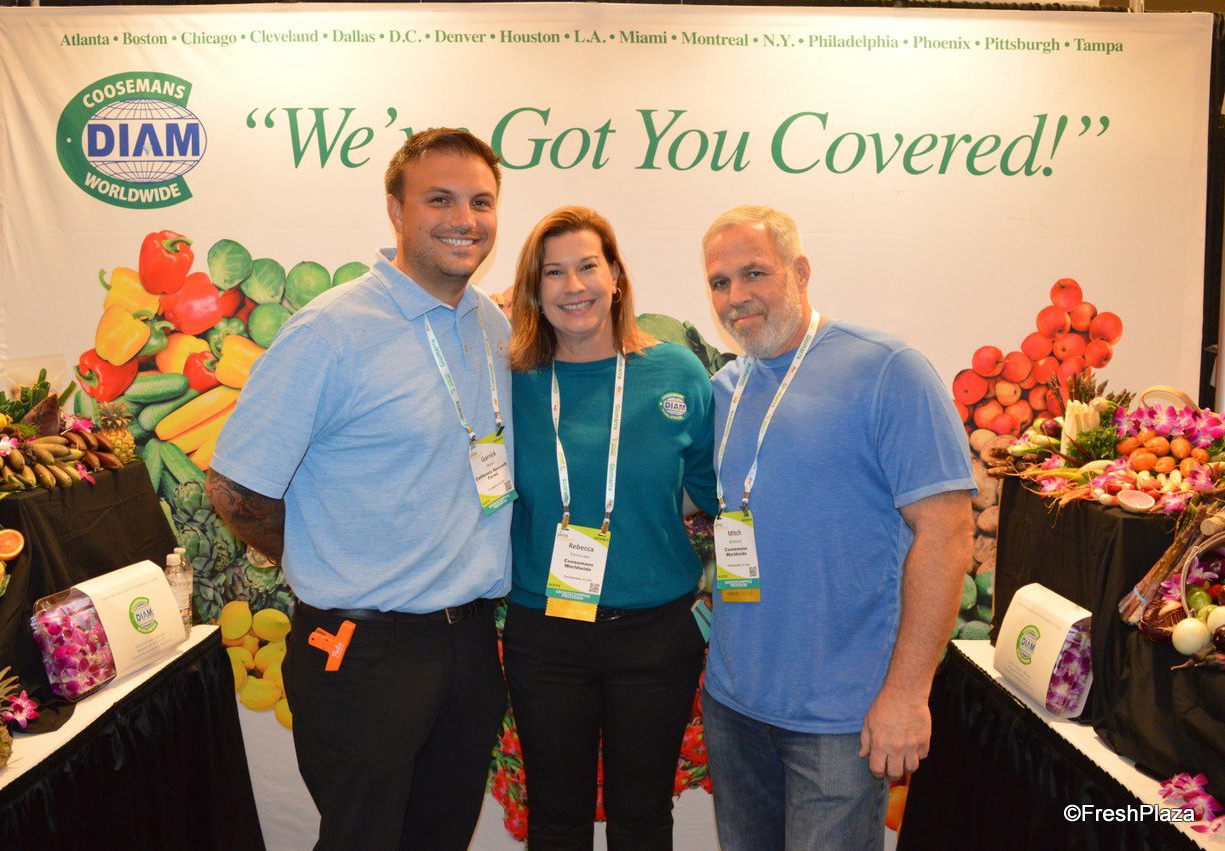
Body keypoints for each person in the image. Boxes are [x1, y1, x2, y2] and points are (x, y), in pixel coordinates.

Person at [207, 128, 513, 851]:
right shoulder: (331, 330)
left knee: (440, 838)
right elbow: (235, 489)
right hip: (362, 647)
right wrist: (318, 556)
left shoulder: (491, 322)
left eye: (480, 202)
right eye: (439, 199)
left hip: (469, 642)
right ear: (396, 210)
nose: (464, 218)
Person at [699, 206, 975, 851]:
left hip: (842, 719)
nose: (736, 297)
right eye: (719, 282)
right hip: (734, 708)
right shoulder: (725, 390)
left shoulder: (888, 370)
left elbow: (948, 532)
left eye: (754, 273)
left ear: (800, 272)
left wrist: (907, 693)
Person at [502, 206, 718, 849]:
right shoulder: (512, 380)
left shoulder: (677, 371)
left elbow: (711, 490)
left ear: (616, 275)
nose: (573, 287)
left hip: (656, 634)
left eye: (588, 267)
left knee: (642, 819)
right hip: (547, 633)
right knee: (556, 820)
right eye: (553, 273)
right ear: (533, 291)